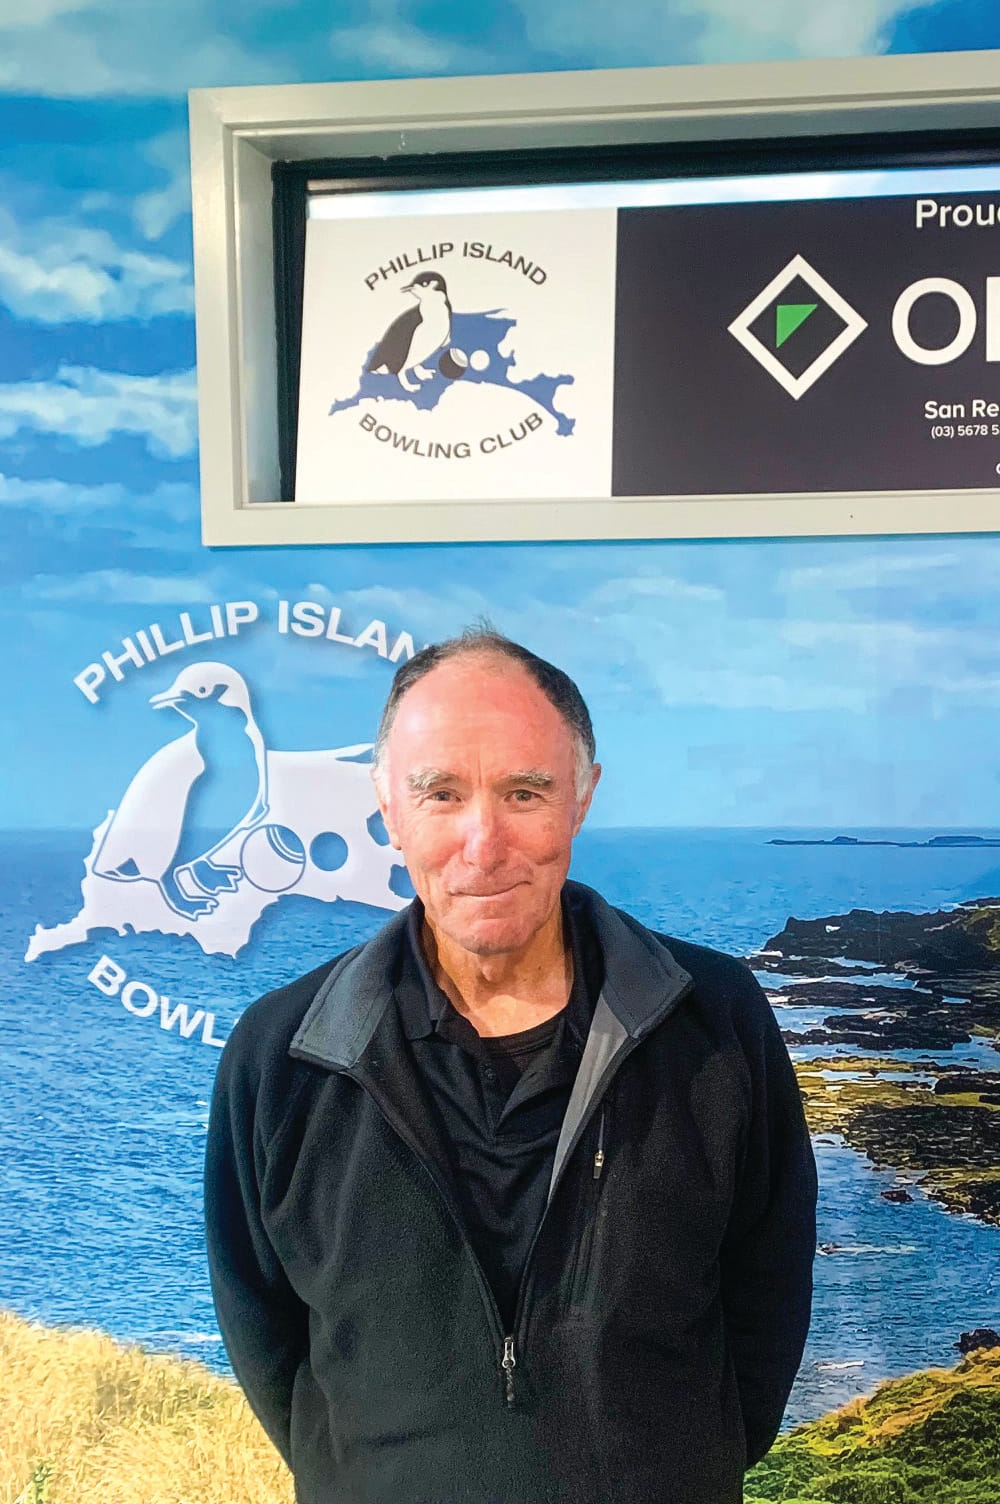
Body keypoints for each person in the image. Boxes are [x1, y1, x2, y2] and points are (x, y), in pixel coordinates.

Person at [205, 627, 817, 1504]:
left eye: (525, 792)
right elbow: (264, 1333)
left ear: (582, 796)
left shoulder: (715, 1022)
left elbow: (767, 1292)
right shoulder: (284, 1053)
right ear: (387, 804)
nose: (483, 843)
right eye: (442, 794)